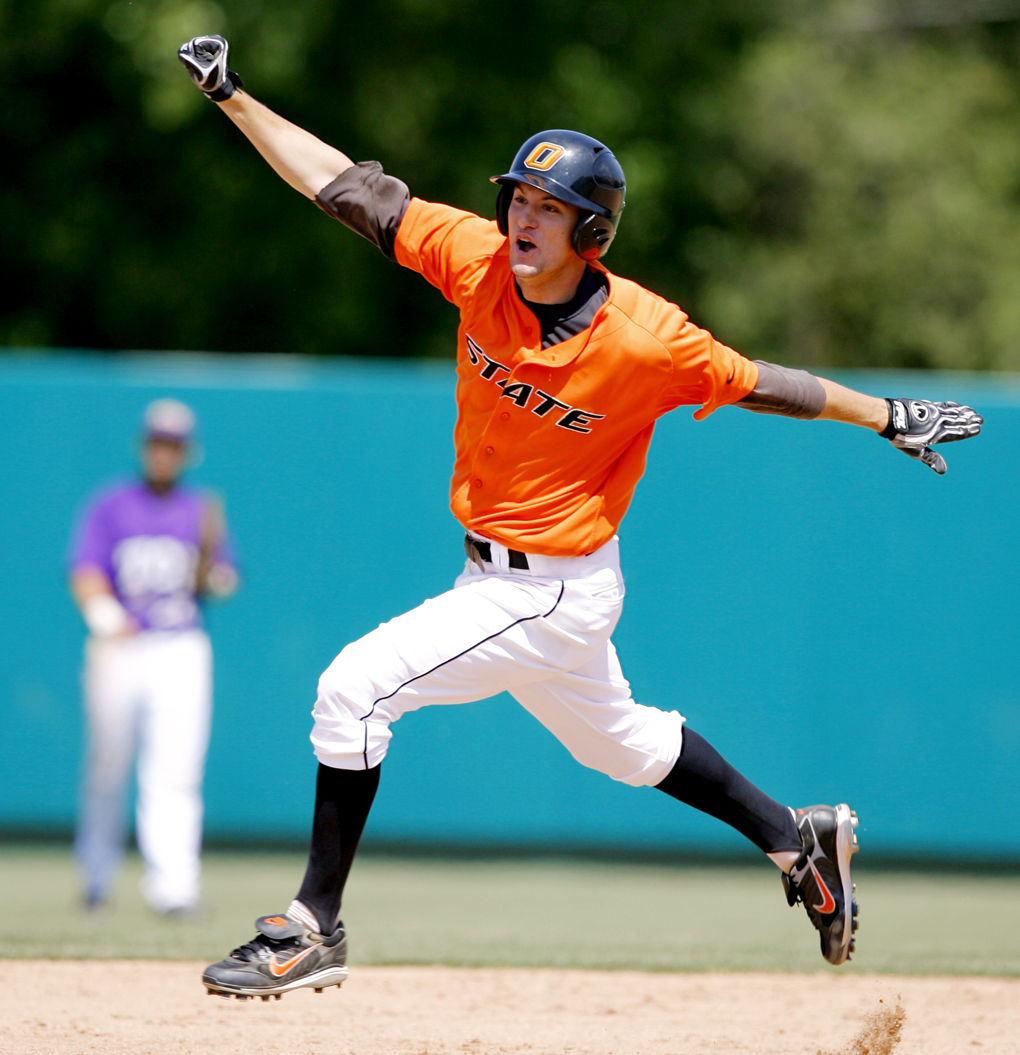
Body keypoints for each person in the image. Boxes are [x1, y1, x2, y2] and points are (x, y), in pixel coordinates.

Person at [177, 35, 982, 998]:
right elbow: (341, 185)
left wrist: (887, 414)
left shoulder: (647, 339)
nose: (520, 215)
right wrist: (233, 96)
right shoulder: (474, 260)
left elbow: (769, 383)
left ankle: (313, 925)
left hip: (552, 588)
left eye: (548, 207)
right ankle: (793, 838)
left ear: (590, 232)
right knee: (627, 745)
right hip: (514, 580)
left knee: (351, 692)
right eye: (518, 195)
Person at [69, 397, 239, 916]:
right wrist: (103, 614)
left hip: (180, 646)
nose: (165, 453)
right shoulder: (112, 504)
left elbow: (219, 579)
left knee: (176, 768)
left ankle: (174, 888)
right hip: (120, 647)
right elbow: (85, 568)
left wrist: (215, 575)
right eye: (158, 443)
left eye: (175, 445)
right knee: (108, 764)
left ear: (188, 452)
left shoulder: (199, 509)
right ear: (145, 446)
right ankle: (96, 877)